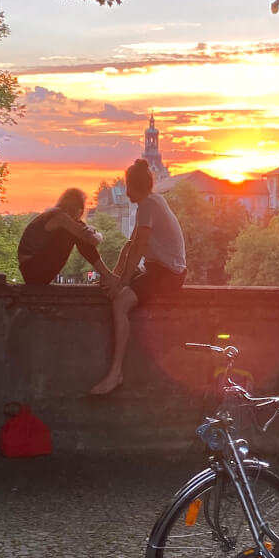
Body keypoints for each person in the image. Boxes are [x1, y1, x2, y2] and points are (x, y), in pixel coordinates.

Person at [88, 159, 186, 396]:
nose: (126, 193)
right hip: (161, 271)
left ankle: (116, 373)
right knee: (119, 294)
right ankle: (115, 373)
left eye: (127, 188)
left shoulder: (148, 205)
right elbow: (130, 246)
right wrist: (115, 277)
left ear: (134, 186)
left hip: (168, 274)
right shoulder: (151, 202)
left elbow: (138, 248)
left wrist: (120, 283)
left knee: (120, 303)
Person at [17, 188, 117, 288]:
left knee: (75, 232)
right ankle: (108, 276)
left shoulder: (59, 217)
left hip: (32, 269)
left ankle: (107, 276)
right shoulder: (60, 218)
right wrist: (97, 235)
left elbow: (88, 236)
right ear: (78, 208)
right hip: (33, 270)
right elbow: (90, 239)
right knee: (74, 234)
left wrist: (92, 234)